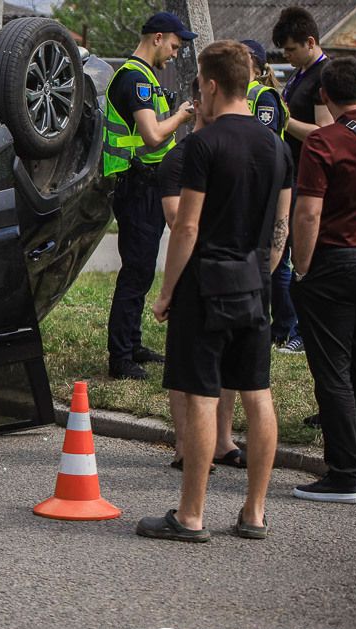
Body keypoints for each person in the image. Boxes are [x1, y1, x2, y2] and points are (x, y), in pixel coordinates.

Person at [137, 40, 293, 543]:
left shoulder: (204, 146)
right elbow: (281, 228)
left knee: (203, 395)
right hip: (255, 285)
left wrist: (166, 292)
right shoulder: (278, 146)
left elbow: (186, 227)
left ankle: (191, 515)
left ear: (208, 84)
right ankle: (253, 513)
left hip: (206, 284)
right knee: (256, 392)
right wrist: (264, 273)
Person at [290, 57, 356, 503]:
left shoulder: (322, 142)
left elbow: (308, 211)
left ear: (324, 96)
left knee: (333, 371)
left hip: (334, 261)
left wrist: (302, 267)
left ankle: (342, 474)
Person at [158, 78, 247, 473]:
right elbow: (178, 220)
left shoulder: (229, 150)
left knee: (229, 362)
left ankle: (222, 440)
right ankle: (184, 444)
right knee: (185, 366)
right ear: (198, 101)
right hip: (193, 270)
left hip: (233, 271)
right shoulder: (178, 158)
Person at [103, 11, 196, 381]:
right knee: (136, 272)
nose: (174, 53)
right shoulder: (134, 80)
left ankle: (133, 343)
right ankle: (120, 357)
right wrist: (182, 116)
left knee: (141, 271)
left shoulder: (146, 78)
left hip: (148, 183)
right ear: (158, 38)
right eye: (174, 45)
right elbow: (153, 136)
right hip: (137, 184)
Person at [270, 6, 335, 355]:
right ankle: (283, 326)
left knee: (297, 259)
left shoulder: (322, 76)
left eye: (292, 50)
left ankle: (300, 330)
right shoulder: (301, 74)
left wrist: (283, 120)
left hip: (306, 179)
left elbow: (323, 133)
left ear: (310, 42)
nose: (289, 56)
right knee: (282, 258)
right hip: (289, 174)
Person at [242, 40, 288, 139]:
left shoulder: (265, 96)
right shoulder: (231, 93)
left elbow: (266, 142)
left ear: (257, 71)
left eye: (242, 55)